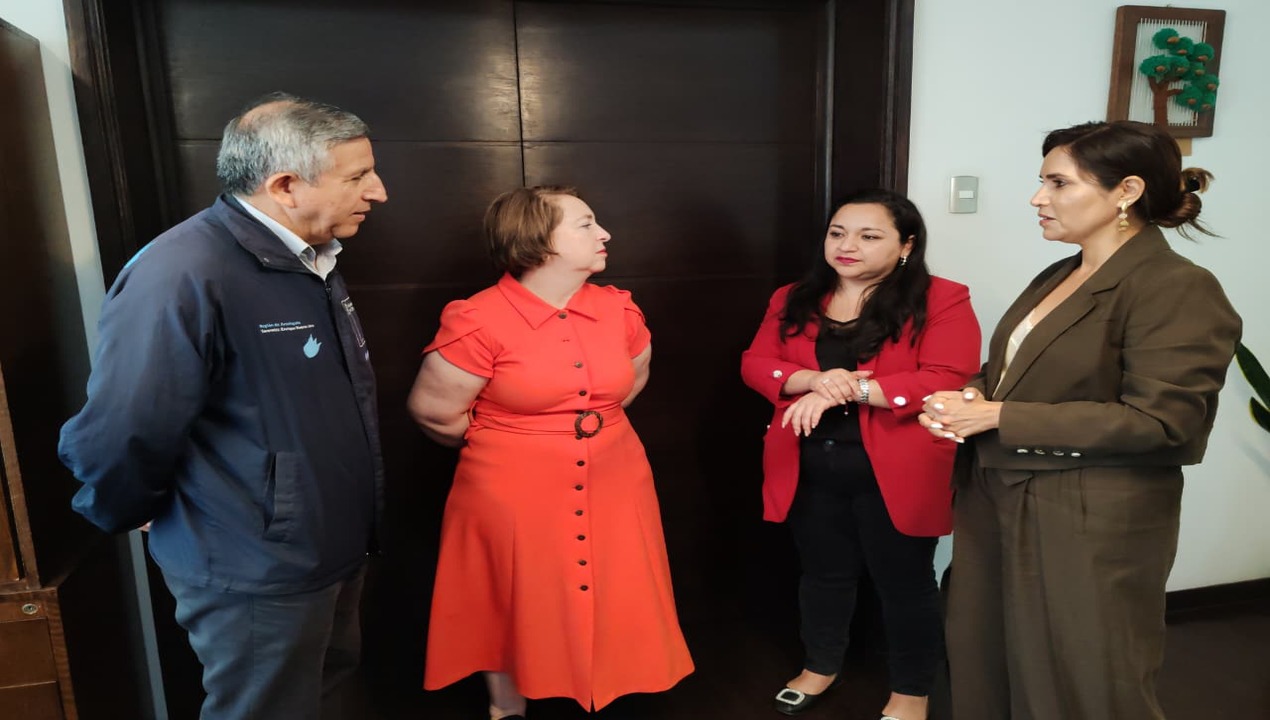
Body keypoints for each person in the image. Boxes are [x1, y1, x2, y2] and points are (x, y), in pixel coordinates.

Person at [58, 93, 388, 720]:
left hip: (328, 549)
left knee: (326, 696)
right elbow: (120, 430)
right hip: (256, 563)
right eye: (357, 177)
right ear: (284, 185)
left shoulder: (311, 258)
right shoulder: (182, 272)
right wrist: (129, 507)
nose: (378, 192)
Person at [920, 120, 1242, 719]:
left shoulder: (1176, 287)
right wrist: (967, 398)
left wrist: (1000, 416)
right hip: (997, 495)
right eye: (1042, 182)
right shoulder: (1060, 274)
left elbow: (1163, 422)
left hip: (1086, 515)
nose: (1037, 198)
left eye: (1058, 183)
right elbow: (1012, 372)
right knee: (987, 661)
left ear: (1126, 192)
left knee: (1084, 680)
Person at [408, 185, 693, 718]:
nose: (604, 233)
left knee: (615, 586)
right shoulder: (476, 319)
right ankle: (506, 707)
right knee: (514, 593)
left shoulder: (619, 309)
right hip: (511, 484)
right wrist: (519, 443)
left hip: (616, 473)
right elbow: (436, 413)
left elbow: (630, 382)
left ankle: (598, 689)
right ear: (537, 239)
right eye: (586, 224)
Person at [741, 189, 981, 720]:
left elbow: (946, 377)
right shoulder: (793, 297)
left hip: (898, 467)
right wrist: (815, 381)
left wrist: (845, 389)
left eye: (868, 236)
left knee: (905, 583)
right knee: (822, 574)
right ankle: (820, 666)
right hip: (808, 463)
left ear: (906, 245)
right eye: (837, 233)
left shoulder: (942, 298)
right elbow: (755, 364)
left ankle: (912, 691)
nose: (847, 246)